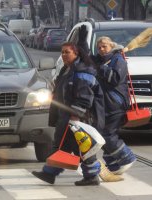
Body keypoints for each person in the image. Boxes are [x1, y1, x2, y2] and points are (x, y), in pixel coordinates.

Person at [32, 42, 105, 186]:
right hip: (65, 115)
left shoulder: (82, 71)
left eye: (67, 52)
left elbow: (85, 96)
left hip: (77, 117)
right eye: (62, 52)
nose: (63, 55)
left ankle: (91, 176)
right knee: (62, 145)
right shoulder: (68, 69)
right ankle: (49, 173)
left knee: (82, 147)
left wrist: (76, 115)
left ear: (76, 54)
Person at [91, 36, 136, 175]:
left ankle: (127, 157)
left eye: (104, 46)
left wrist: (100, 68)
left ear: (111, 46)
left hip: (116, 104)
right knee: (101, 135)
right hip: (104, 105)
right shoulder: (100, 60)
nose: (101, 49)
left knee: (108, 134)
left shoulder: (118, 60)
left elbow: (115, 78)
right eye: (99, 47)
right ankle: (113, 165)